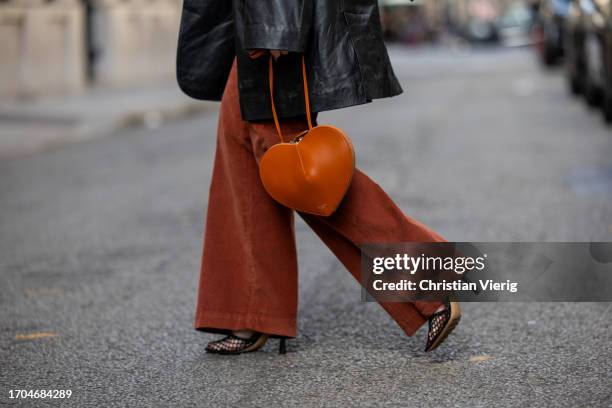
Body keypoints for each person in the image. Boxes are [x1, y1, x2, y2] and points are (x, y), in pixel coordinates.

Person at [176, 0, 461, 355]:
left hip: (269, 22)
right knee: (244, 156)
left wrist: (277, 22)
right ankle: (251, 310)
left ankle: (427, 276)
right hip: (252, 20)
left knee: (304, 173)